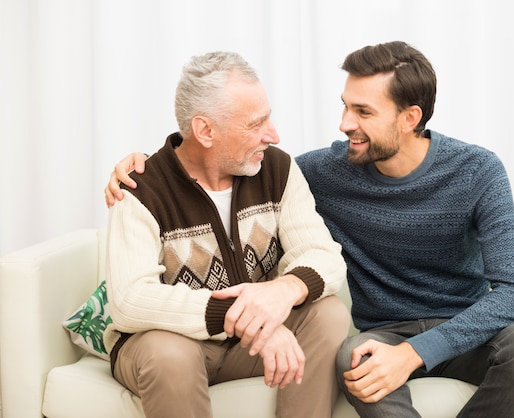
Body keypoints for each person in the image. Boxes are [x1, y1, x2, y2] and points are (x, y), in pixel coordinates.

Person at [106, 41, 514, 418]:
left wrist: (414, 352)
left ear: (410, 118)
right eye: (345, 107)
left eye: (362, 111)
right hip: (376, 334)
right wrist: (145, 163)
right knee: (350, 353)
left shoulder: (477, 170)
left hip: (466, 328)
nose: (345, 124)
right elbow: (131, 295)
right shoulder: (313, 171)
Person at [102, 51, 350, 418]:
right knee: (171, 355)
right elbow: (129, 300)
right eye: (256, 123)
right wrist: (246, 314)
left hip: (245, 346)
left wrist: (282, 292)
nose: (274, 134)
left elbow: (324, 255)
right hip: (173, 345)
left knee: (327, 314)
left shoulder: (277, 169)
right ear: (205, 130)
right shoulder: (139, 189)